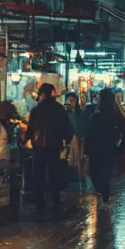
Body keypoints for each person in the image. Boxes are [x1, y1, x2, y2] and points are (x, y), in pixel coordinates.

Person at [25, 83, 75, 214]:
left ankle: (39, 202)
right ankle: (56, 199)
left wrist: (26, 141)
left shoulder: (37, 110)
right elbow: (68, 128)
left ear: (42, 95)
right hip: (54, 146)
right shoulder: (59, 109)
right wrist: (66, 141)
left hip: (39, 146)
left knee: (39, 175)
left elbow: (30, 128)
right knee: (54, 173)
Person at [85, 89, 125, 207]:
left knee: (95, 172)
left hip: (96, 148)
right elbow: (124, 130)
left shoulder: (96, 114)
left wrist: (86, 148)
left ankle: (102, 193)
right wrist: (120, 143)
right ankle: (105, 196)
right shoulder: (116, 114)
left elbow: (89, 132)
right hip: (110, 148)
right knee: (106, 172)